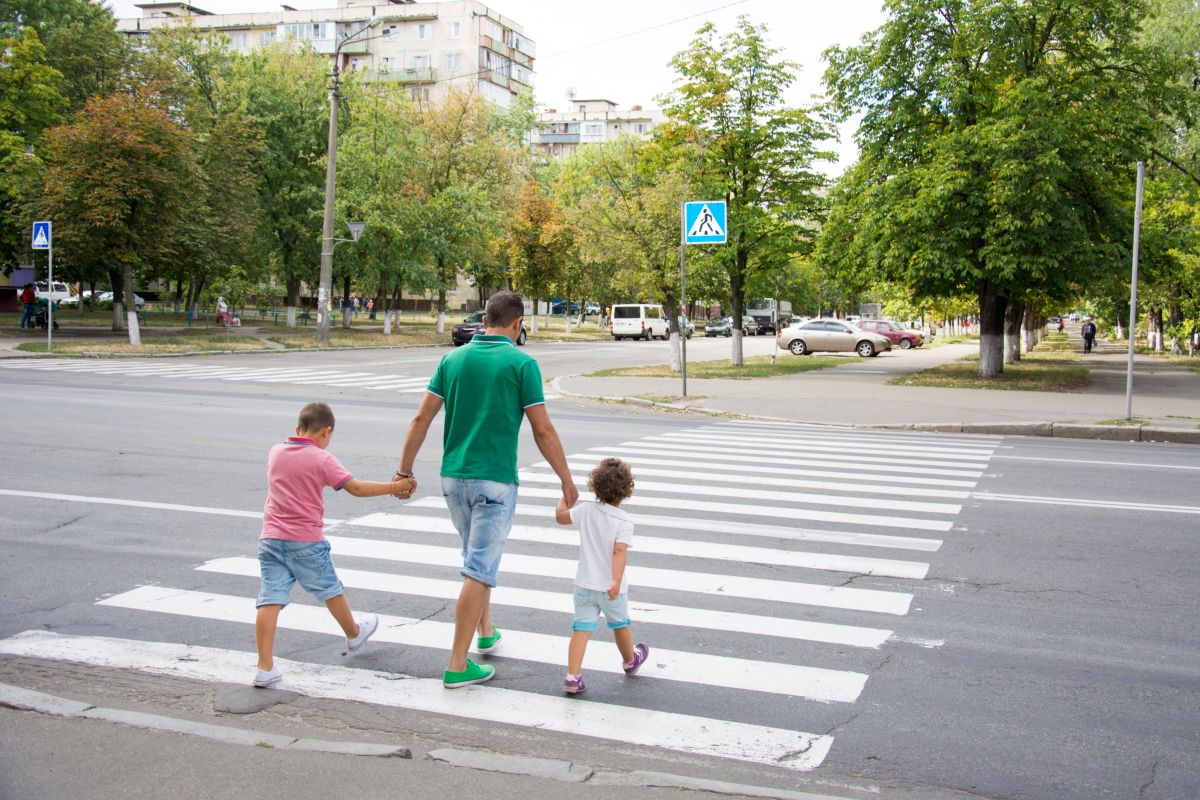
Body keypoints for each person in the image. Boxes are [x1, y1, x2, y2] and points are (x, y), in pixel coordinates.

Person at [396, 290, 578, 689]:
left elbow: (420, 420)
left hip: (453, 478)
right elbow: (542, 429)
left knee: (472, 559)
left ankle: (486, 631)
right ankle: (458, 665)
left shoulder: (452, 359)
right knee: (479, 568)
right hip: (494, 480)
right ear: (517, 324)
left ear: (484, 320)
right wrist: (566, 480)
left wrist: (403, 472)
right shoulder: (521, 362)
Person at [254, 401, 414, 688]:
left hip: (271, 538)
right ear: (327, 431)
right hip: (305, 540)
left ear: (298, 428)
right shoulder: (321, 459)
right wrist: (395, 487)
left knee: (270, 599)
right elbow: (355, 488)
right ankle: (353, 633)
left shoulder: (276, 452)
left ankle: (264, 667)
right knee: (330, 588)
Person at [554, 457, 649, 694]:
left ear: (594, 486)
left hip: (585, 585)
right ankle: (630, 660)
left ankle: (573, 676)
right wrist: (615, 580)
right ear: (627, 491)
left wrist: (563, 499)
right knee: (620, 625)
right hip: (610, 588)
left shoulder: (585, 510)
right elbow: (619, 552)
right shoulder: (624, 521)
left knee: (581, 629)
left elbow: (561, 517)